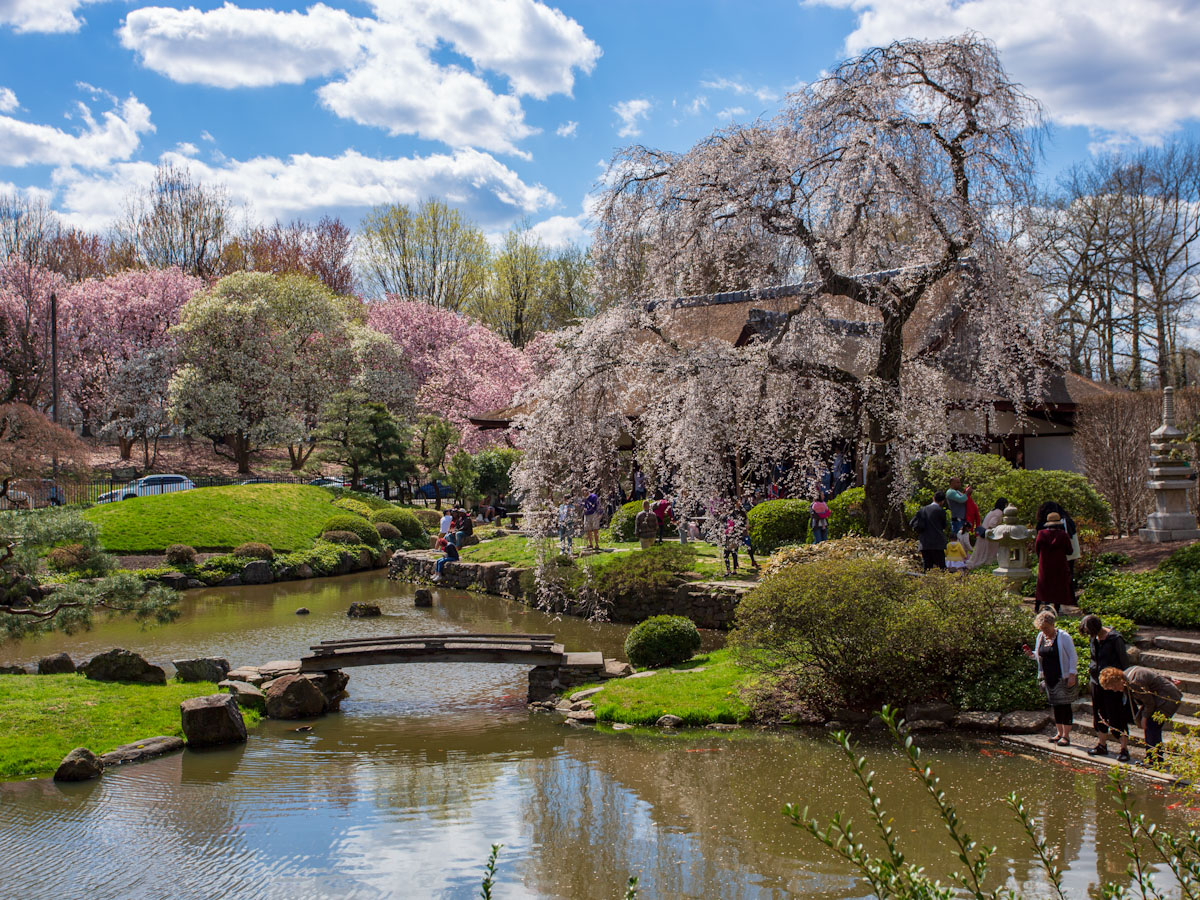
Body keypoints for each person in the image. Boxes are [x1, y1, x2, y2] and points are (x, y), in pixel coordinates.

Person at [1100, 665, 1182, 766]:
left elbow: (1149, 704)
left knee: (1152, 726)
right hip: (1160, 697)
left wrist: (1144, 717)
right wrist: (1169, 679)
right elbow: (1153, 675)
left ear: (1118, 680)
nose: (1115, 690)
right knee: (1151, 726)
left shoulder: (1134, 682)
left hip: (1167, 699)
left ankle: (1154, 761)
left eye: (1114, 687)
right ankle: (1152, 758)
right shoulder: (1127, 673)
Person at [1081, 614, 1132, 761]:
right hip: (1096, 682)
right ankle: (1102, 745)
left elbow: (1124, 663)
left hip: (1112, 684)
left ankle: (1124, 749)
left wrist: (1122, 684)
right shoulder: (1094, 638)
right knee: (1099, 714)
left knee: (1117, 715)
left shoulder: (1115, 639)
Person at [1026, 609, 1078, 746]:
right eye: (1042, 628)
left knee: (1065, 706)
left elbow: (1073, 656)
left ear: (1053, 624)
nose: (1044, 631)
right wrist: (1031, 655)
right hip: (1049, 677)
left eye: (1046, 628)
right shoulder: (1040, 637)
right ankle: (1059, 732)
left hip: (1063, 676)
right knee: (1055, 706)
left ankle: (1066, 735)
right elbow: (1040, 654)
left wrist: (1072, 674)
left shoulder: (1063, 637)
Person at [1034, 511, 1072, 614]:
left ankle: (1037, 608)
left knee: (1043, 586)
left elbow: (1036, 549)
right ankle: (1057, 609)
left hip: (1045, 565)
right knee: (1058, 587)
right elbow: (1070, 551)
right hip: (1059, 565)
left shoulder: (1041, 534)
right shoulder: (1063, 535)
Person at [909, 491, 948, 571]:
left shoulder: (922, 510)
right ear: (943, 501)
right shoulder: (941, 511)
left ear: (933, 498)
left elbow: (911, 523)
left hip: (924, 543)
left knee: (927, 568)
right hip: (937, 543)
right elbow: (944, 526)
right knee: (941, 568)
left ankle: (926, 583)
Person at [967, 496, 1007, 570]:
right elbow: (992, 524)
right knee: (989, 552)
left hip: (983, 533)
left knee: (980, 552)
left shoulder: (993, 511)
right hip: (988, 535)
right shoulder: (999, 512)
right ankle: (987, 565)